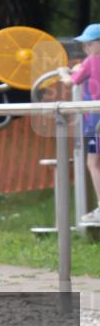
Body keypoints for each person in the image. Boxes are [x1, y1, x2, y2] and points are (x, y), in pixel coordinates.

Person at [60, 22, 100, 225]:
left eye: (89, 44)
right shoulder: (88, 63)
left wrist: (63, 73)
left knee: (93, 163)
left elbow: (70, 82)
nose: (86, 49)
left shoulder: (92, 61)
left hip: (95, 121)